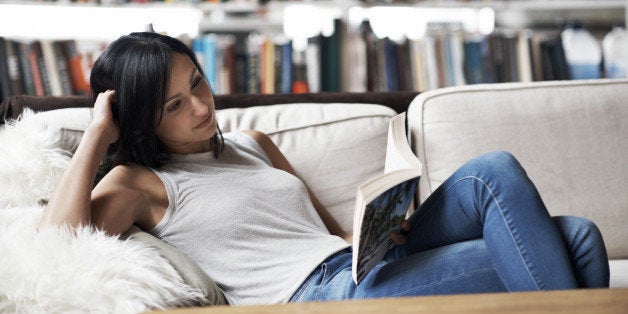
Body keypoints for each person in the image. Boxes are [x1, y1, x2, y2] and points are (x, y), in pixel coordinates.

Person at [38, 32, 610, 306]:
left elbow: (329, 232)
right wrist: (96, 132)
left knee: (496, 172)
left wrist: (383, 228)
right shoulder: (138, 184)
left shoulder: (253, 143)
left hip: (362, 265)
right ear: (139, 120)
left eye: (198, 84)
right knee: (576, 244)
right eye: (174, 106)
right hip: (324, 296)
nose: (203, 107)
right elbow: (56, 248)